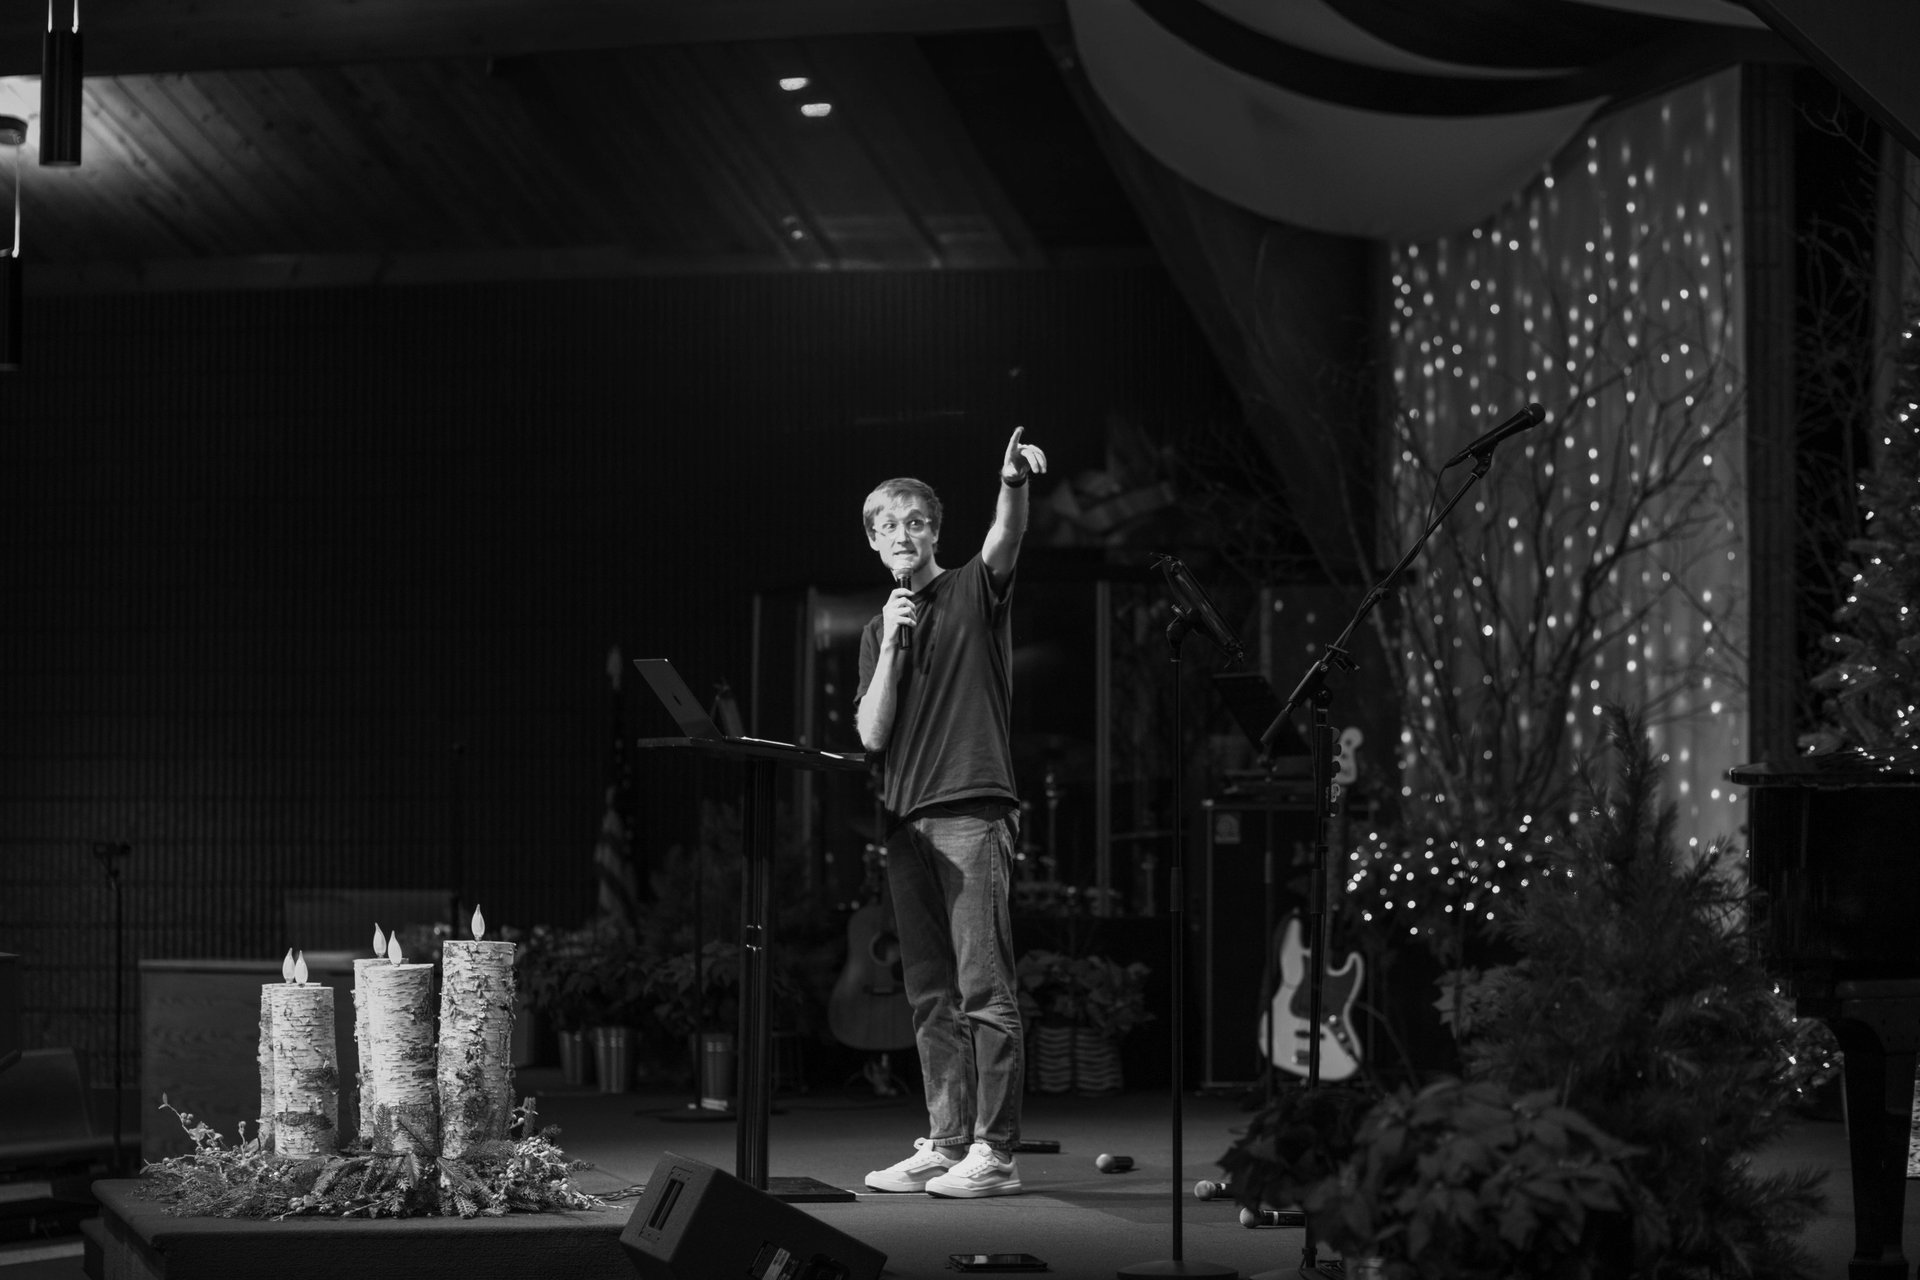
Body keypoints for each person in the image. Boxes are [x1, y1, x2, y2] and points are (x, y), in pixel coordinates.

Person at [854, 426, 1048, 1199]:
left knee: (983, 989)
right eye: (888, 525)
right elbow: (871, 732)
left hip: (970, 809)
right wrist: (896, 647)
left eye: (917, 522)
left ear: (937, 532)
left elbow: (1008, 537)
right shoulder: (878, 629)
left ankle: (995, 1153)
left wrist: (1012, 484)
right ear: (873, 542)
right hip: (904, 820)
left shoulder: (974, 587)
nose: (904, 534)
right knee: (928, 990)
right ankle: (945, 1139)